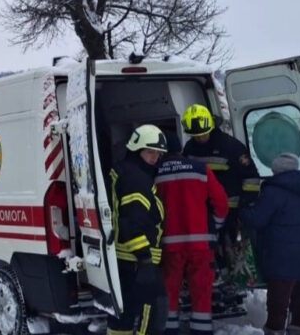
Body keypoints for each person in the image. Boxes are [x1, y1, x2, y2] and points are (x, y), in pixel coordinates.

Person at [240, 153, 300, 335]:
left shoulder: (273, 191)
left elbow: (257, 219)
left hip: (282, 260)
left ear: (275, 170)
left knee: (278, 305)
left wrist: (242, 209)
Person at [155, 133, 229, 335]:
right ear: (180, 150)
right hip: (202, 245)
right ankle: (201, 330)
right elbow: (221, 203)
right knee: (201, 292)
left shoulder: (156, 174)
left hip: (169, 245)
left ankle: (169, 329)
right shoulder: (201, 170)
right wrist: (215, 225)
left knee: (169, 290)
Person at [181, 104, 261, 284]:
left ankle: (231, 280)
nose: (200, 138)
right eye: (196, 135)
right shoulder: (190, 148)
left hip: (230, 210)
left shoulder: (231, 147)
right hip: (202, 211)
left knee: (229, 246)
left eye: (203, 134)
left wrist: (245, 205)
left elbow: (251, 178)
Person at [107, 124, 169, 335]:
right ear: (136, 149)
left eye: (158, 153)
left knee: (124, 316)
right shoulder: (136, 179)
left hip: (126, 259)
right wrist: (144, 259)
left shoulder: (129, 171)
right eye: (150, 152)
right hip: (137, 260)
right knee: (151, 313)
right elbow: (131, 223)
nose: (155, 157)